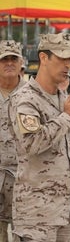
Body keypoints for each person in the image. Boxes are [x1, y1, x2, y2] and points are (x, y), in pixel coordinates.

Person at [8, 32, 70, 241]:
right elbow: (31, 143)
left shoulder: (64, 99)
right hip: (36, 216)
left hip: (65, 213)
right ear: (44, 58)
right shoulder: (25, 99)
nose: (67, 64)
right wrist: (67, 117)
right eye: (62, 58)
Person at [0, 40, 26, 241]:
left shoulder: (33, 94)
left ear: (21, 63)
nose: (9, 63)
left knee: (23, 232)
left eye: (13, 59)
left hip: (24, 178)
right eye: (4, 59)